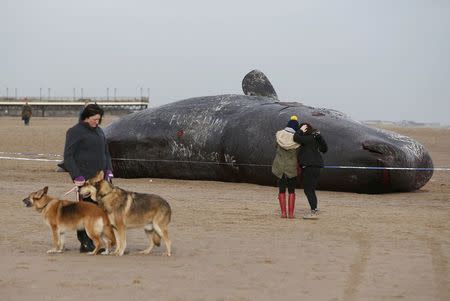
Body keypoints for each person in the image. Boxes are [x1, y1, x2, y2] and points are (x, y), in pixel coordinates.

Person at [63, 103, 114, 252]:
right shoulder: (74, 131)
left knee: (103, 212)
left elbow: (106, 153)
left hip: (102, 181)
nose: (97, 122)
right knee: (85, 213)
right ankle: (85, 243)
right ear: (86, 117)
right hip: (85, 180)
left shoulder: (100, 131)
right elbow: (68, 156)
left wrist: (109, 170)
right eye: (94, 119)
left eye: (99, 119)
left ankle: (106, 243)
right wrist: (76, 175)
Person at [293, 122, 328, 219]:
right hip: (317, 166)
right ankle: (314, 209)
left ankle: (314, 211)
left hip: (309, 166)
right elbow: (325, 149)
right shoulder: (315, 138)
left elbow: (295, 137)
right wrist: (320, 138)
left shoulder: (307, 138)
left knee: (309, 190)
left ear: (305, 129)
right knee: (310, 189)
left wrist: (300, 130)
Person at [271, 116, 300, 218]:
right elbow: (299, 153)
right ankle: (291, 214)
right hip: (291, 167)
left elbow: (275, 147)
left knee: (281, 189)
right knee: (291, 190)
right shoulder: (297, 140)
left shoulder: (280, 136)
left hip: (279, 166)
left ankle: (283, 213)